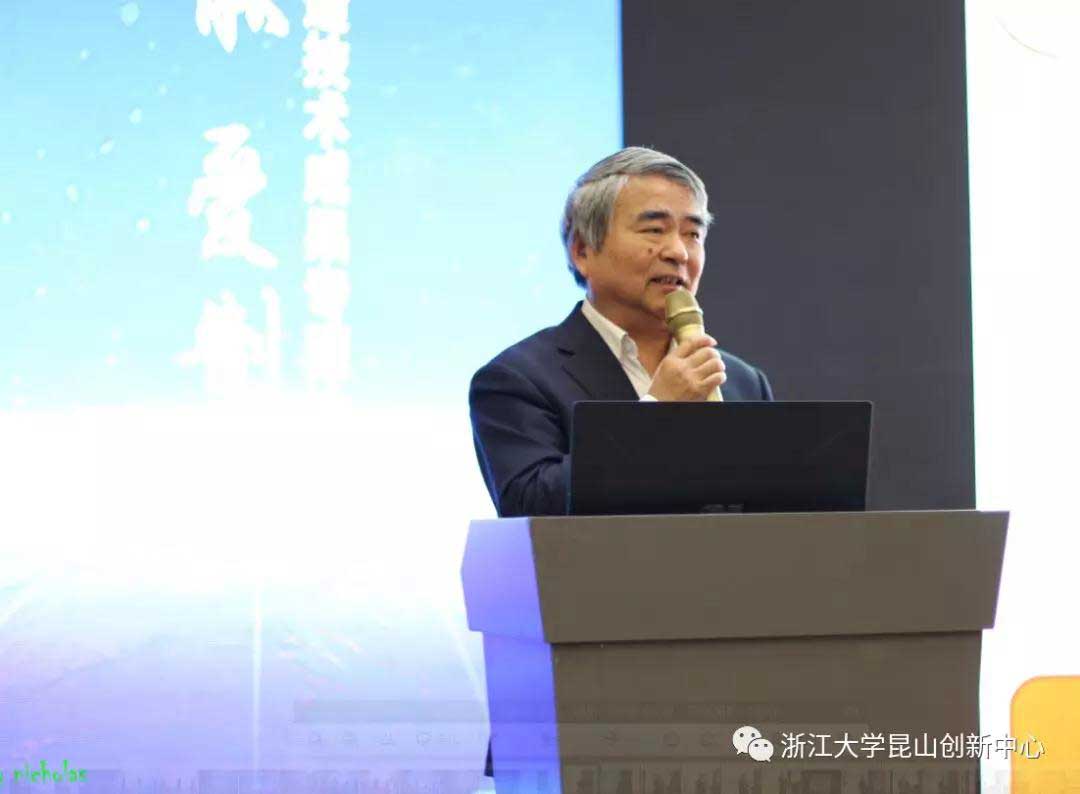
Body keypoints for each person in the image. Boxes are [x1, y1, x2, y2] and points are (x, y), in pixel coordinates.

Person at [469, 146, 774, 520]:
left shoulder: (743, 382)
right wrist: (658, 415)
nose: (679, 252)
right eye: (654, 230)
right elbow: (532, 505)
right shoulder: (517, 379)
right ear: (582, 251)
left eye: (693, 234)